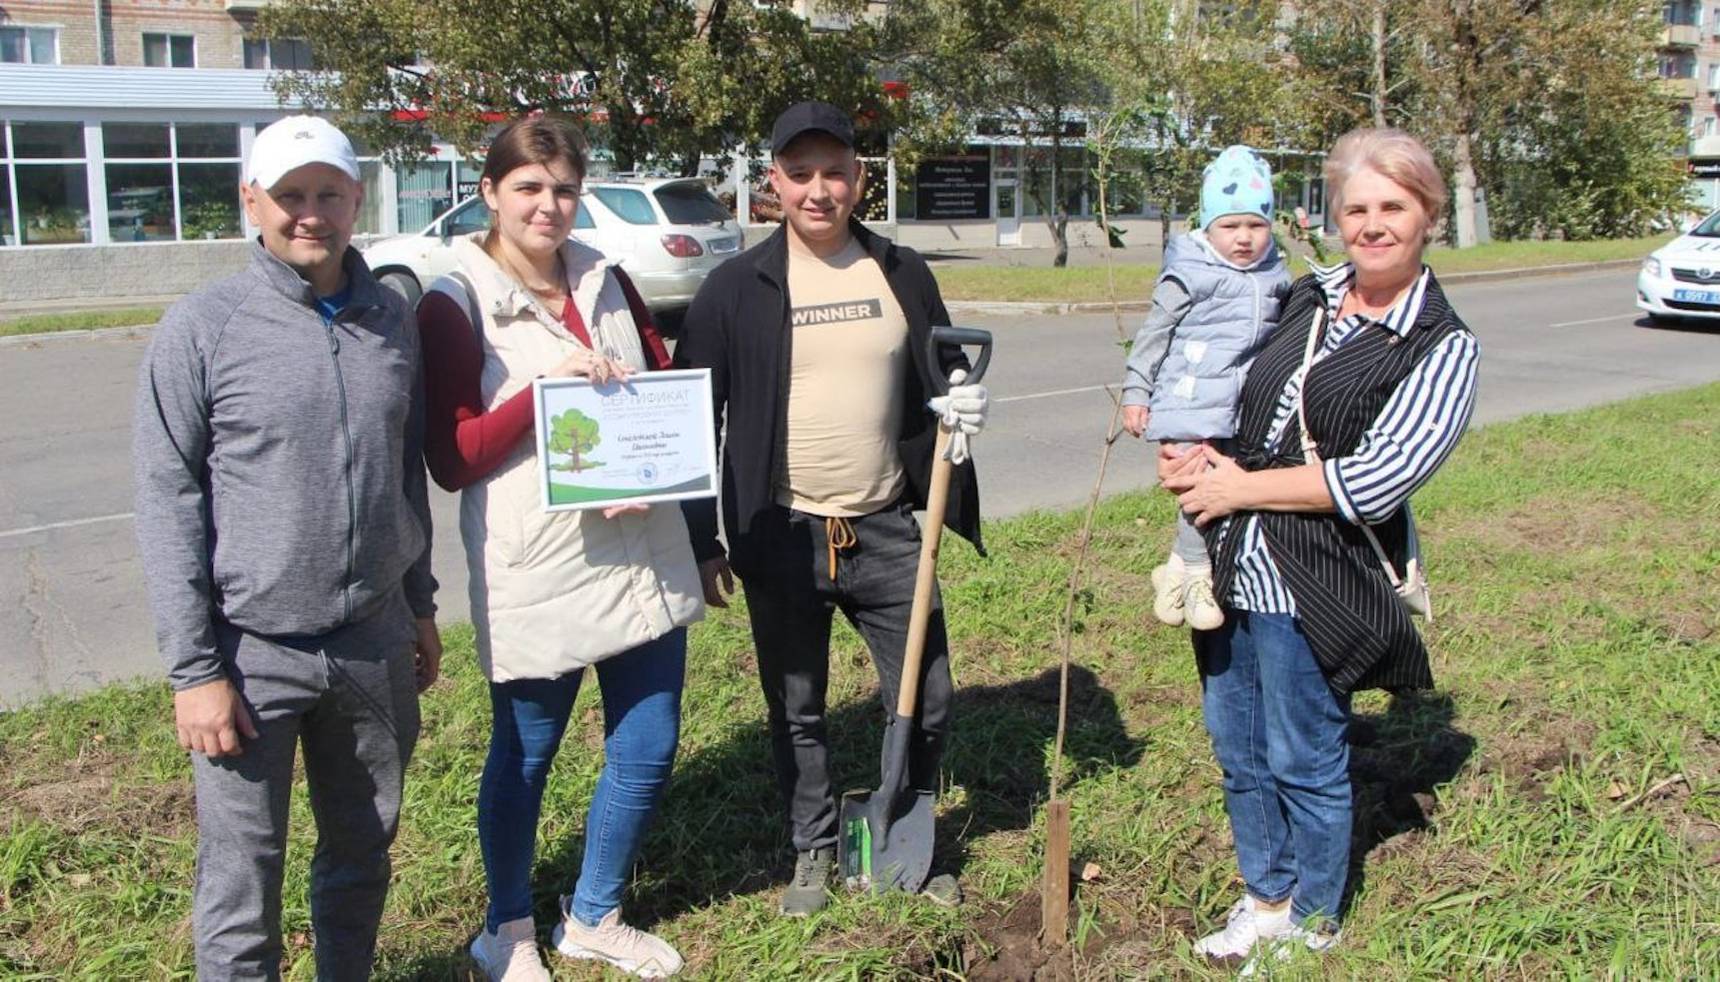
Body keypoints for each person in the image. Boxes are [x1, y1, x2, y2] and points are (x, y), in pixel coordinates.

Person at [1159, 127, 1480, 972]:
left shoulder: (1442, 345)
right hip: (1234, 560)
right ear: (1333, 217)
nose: (1373, 225)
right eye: (1357, 208)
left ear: (1428, 216)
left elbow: (1372, 480)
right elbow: (1229, 379)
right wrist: (1186, 446)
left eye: (1393, 207)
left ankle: (1311, 918)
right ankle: (1263, 897)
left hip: (1320, 577)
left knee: (1305, 751)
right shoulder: (1308, 295)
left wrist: (1236, 488)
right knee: (1238, 748)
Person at [133, 114, 441, 981]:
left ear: (355, 199)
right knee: (241, 880)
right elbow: (167, 500)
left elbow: (404, 469)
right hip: (250, 653)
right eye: (290, 195)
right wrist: (195, 672)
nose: (311, 214)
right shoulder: (203, 328)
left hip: (373, 643)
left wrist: (418, 604)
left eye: (329, 195)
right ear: (252, 201)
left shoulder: (392, 317)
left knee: (361, 855)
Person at [673, 101, 990, 917]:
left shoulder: (901, 270)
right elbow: (687, 420)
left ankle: (902, 833)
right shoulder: (733, 289)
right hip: (781, 529)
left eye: (836, 172)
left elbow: (945, 375)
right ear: (772, 183)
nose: (820, 190)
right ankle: (814, 849)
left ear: (859, 179)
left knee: (928, 691)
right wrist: (704, 540)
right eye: (801, 173)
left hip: (885, 526)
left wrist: (958, 413)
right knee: (796, 702)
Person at [415, 114, 701, 980]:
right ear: (489, 193)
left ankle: (593, 915)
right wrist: (542, 387)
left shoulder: (609, 279)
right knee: (527, 752)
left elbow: (658, 390)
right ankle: (506, 928)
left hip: (640, 545)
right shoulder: (452, 298)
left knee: (648, 742)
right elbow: (453, 456)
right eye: (528, 188)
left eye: (565, 189)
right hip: (540, 563)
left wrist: (657, 461)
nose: (549, 206)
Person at [1120, 145, 1291, 631]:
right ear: (1209, 226)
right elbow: (1154, 334)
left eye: (1256, 226)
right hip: (1189, 398)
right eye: (1230, 226)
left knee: (1230, 489)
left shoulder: (1274, 273)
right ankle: (1195, 575)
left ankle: (1177, 570)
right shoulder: (1190, 271)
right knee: (1197, 486)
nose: (1243, 239)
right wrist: (1137, 392)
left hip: (1242, 406)